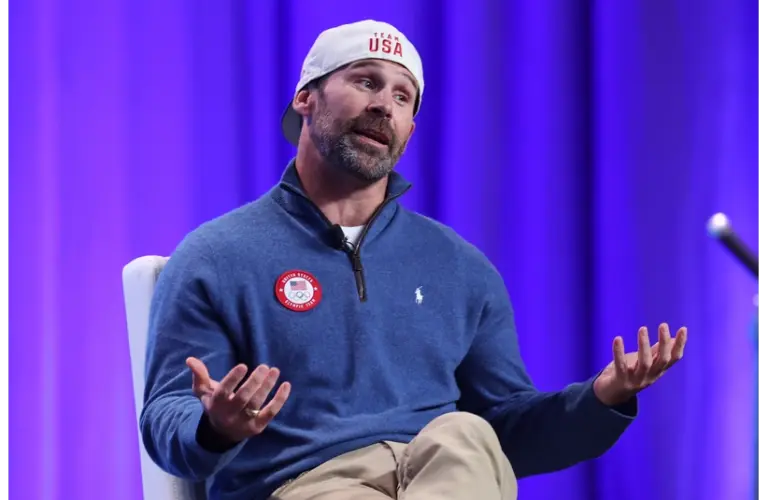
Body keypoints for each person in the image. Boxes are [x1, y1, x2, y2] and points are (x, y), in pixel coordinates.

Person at [141, 19, 688, 500]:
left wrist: (601, 398)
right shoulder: (216, 256)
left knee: (467, 435)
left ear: (410, 130)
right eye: (365, 82)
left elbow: (508, 433)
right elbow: (168, 418)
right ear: (305, 98)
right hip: (307, 483)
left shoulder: (459, 267)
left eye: (404, 97)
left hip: (443, 478)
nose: (385, 104)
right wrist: (217, 426)